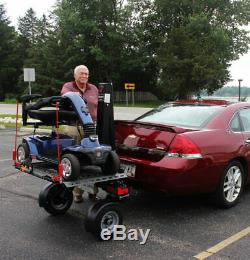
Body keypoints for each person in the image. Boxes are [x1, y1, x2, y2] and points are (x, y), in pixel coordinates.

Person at [61, 65, 99, 203]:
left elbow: (98, 106)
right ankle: (77, 193)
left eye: (87, 74)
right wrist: (73, 96)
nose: (84, 76)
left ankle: (93, 191)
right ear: (75, 75)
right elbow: (63, 97)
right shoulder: (68, 86)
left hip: (91, 127)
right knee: (76, 160)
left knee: (93, 158)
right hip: (74, 127)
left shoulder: (93, 88)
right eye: (82, 74)